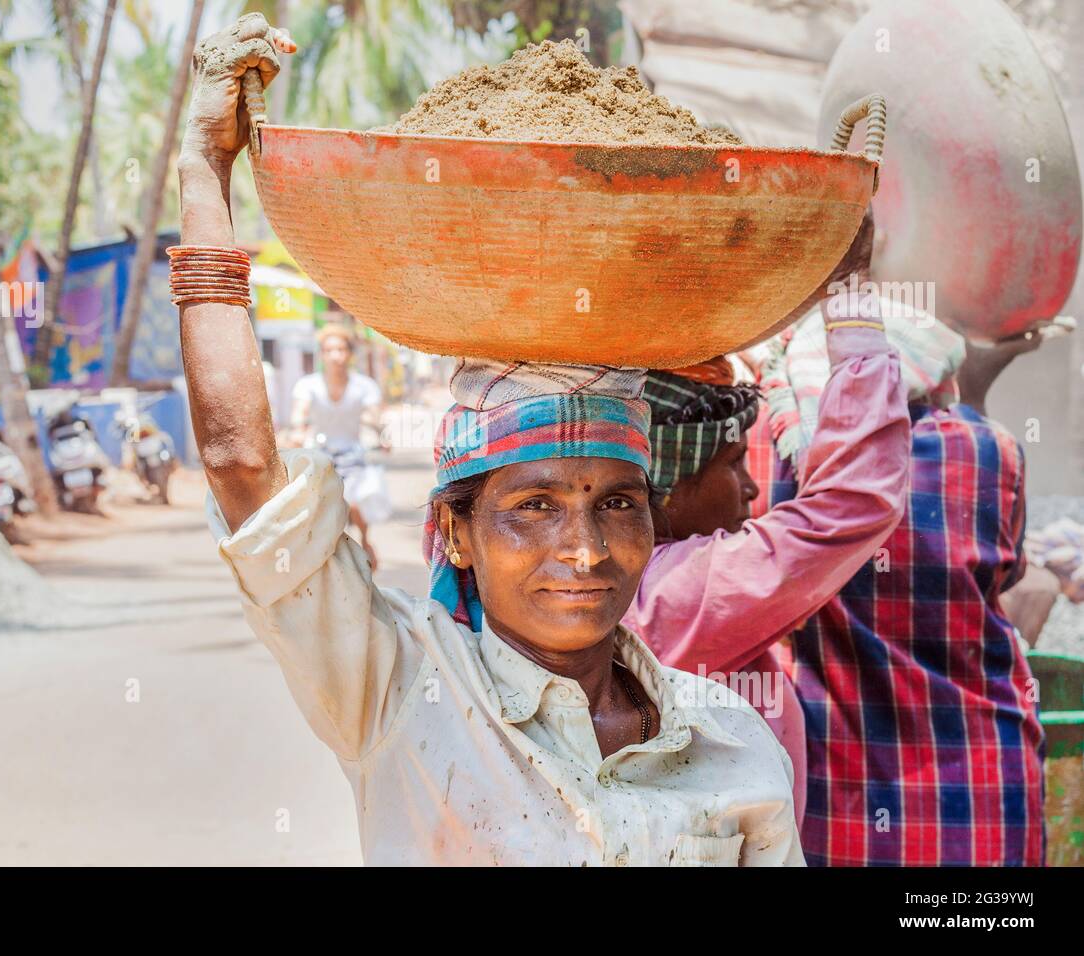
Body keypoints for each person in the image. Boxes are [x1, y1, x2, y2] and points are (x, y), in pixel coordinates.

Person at [175, 13, 802, 866]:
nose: (583, 551)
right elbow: (239, 464)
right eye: (533, 506)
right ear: (456, 536)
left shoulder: (732, 741)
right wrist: (205, 169)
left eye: (616, 504)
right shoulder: (400, 690)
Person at [619, 215, 911, 826]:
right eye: (730, 464)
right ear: (662, 489)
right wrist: (849, 293)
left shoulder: (609, 586)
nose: (752, 485)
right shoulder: (680, 592)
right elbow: (852, 503)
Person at [750, 303, 1047, 866]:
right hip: (981, 792)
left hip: (828, 800)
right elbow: (1007, 572)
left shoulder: (769, 450)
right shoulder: (989, 449)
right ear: (928, 370)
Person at [288, 324, 391, 568]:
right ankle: (322, 554)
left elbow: (374, 416)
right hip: (320, 456)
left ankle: (365, 541)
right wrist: (296, 431)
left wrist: (381, 435)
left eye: (341, 349)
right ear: (321, 354)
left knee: (355, 502)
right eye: (329, 350)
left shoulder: (364, 386)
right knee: (318, 508)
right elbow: (299, 414)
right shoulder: (308, 385)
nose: (336, 355)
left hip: (353, 454)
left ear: (349, 353)